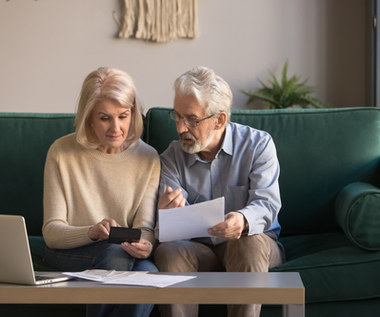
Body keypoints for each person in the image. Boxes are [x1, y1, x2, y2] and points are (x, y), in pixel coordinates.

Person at [154, 66, 285, 317]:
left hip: (253, 247)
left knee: (249, 242)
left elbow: (267, 205)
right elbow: (166, 230)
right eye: (177, 116)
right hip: (199, 250)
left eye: (192, 119)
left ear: (220, 120)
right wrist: (165, 214)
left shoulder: (258, 145)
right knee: (169, 251)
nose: (181, 128)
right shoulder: (171, 157)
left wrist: (243, 219)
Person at [42, 67, 160, 317]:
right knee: (116, 255)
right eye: (105, 117)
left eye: (123, 116)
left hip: (125, 254)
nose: (116, 128)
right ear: (89, 117)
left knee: (148, 273)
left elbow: (146, 229)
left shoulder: (149, 158)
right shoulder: (61, 152)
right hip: (70, 251)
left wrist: (145, 246)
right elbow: (52, 232)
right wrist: (92, 232)